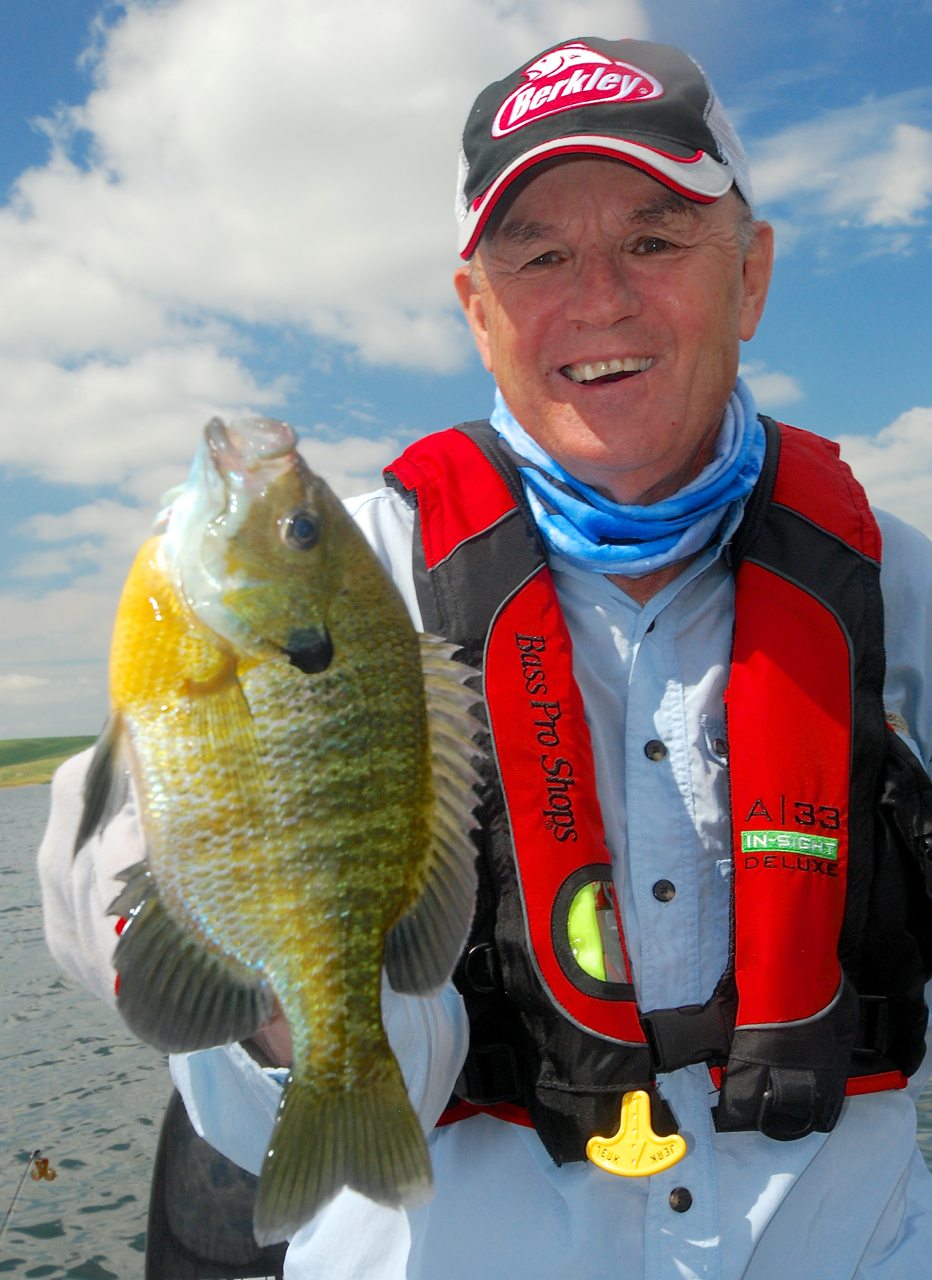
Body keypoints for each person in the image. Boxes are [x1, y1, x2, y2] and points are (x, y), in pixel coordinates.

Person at [38, 35, 932, 1280]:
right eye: (540, 254)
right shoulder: (360, 577)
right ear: (476, 307)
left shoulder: (891, 579)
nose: (600, 297)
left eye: (654, 239)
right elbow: (84, 879)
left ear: (750, 275)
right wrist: (208, 874)